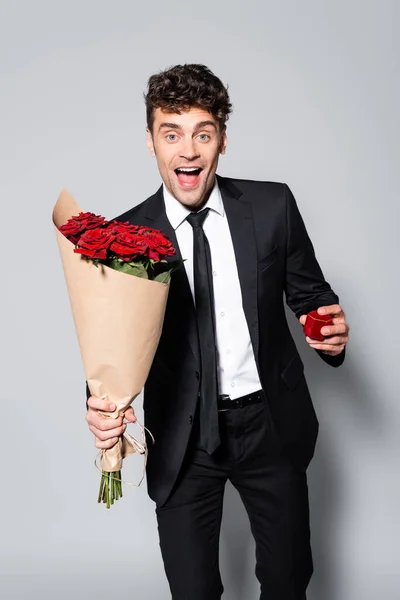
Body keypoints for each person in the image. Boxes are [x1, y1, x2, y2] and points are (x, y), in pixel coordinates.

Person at [85, 63, 350, 600]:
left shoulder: (273, 206)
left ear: (222, 140)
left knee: (287, 581)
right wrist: (99, 404)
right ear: (151, 141)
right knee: (193, 590)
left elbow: (312, 296)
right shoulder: (123, 238)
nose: (188, 151)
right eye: (172, 133)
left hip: (270, 423)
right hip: (183, 441)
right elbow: (107, 347)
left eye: (202, 133)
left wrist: (331, 332)